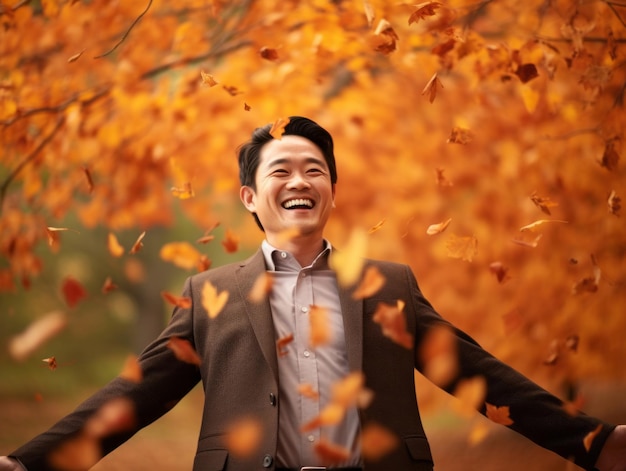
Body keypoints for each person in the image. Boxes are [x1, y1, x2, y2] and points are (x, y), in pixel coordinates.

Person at [1, 116, 625, 471]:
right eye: (281, 171)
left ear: (331, 192)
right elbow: (131, 398)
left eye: (314, 170)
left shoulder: (389, 285)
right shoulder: (211, 293)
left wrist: (596, 444)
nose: (300, 180)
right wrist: (28, 465)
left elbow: (480, 376)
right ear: (251, 198)